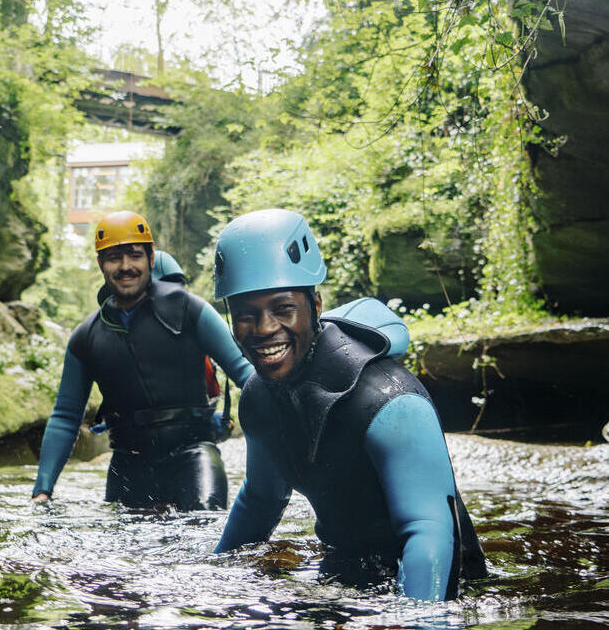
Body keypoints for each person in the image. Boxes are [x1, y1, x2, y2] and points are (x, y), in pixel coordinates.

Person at [212, 208, 487, 600]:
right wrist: (213, 578)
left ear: (316, 305)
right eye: (245, 316)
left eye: (283, 308)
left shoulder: (389, 400)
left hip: (440, 586)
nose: (265, 328)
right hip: (345, 575)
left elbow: (427, 532)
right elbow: (260, 499)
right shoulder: (259, 398)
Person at [31, 210, 252, 510]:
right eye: (114, 258)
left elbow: (244, 373)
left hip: (194, 455)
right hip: (128, 467)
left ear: (150, 257)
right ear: (100, 264)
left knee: (203, 537)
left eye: (134, 255)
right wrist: (42, 490)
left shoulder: (189, 310)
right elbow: (65, 417)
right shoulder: (86, 337)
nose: (125, 267)